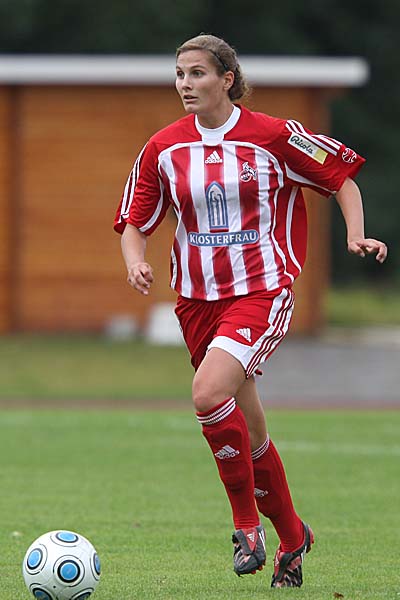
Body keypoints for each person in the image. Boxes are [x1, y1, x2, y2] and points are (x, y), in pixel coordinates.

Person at [114, 34, 387, 588]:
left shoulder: (274, 135)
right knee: (249, 430)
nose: (185, 84)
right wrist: (136, 261)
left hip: (261, 292)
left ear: (227, 79)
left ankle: (246, 526)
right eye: (180, 74)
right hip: (196, 302)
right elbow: (135, 219)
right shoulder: (164, 147)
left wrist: (355, 234)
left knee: (207, 394)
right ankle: (292, 536)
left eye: (197, 73)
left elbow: (341, 179)